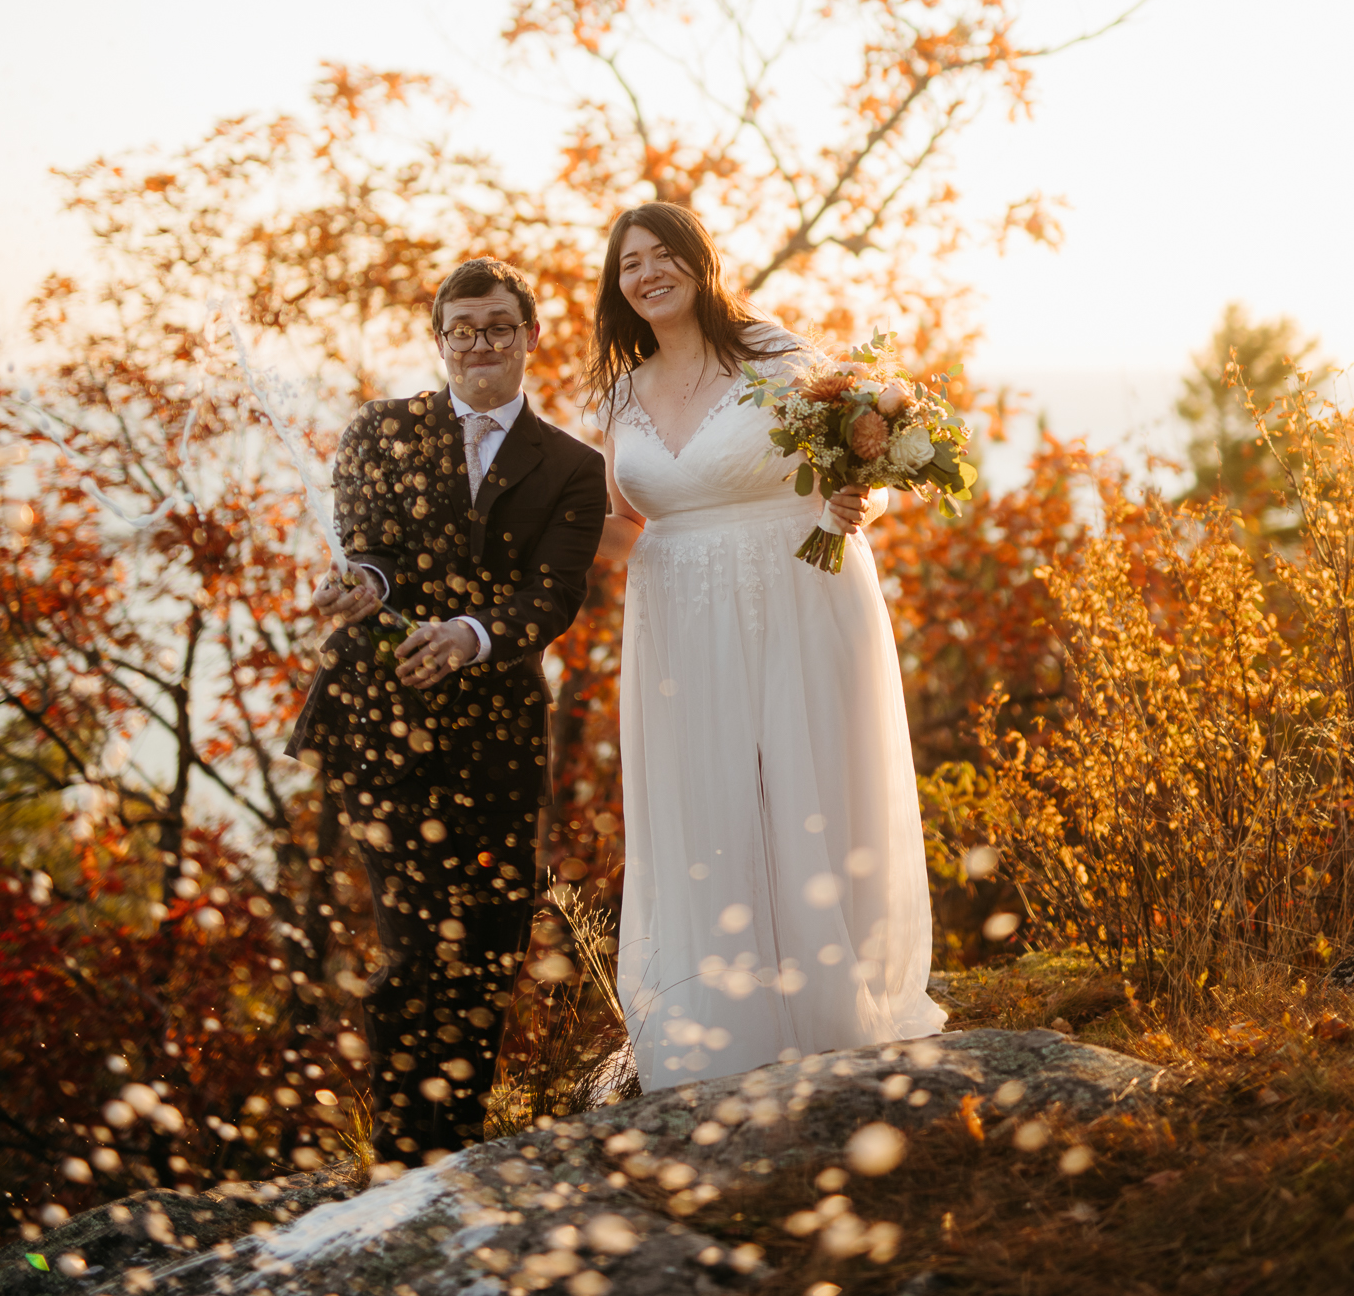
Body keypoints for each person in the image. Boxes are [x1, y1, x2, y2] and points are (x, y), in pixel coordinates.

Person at [594, 204, 946, 1090]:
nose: (648, 273)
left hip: (797, 586)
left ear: (701, 264)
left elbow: (865, 449)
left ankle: (836, 1004)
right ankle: (726, 1020)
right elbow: (614, 524)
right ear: (616, 286)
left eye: (665, 254)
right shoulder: (619, 394)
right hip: (674, 610)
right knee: (706, 797)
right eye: (630, 262)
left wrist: (856, 502)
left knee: (812, 782)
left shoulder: (774, 357)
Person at [290, 258, 608, 1162]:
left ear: (530, 337)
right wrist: (363, 585)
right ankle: (401, 1159)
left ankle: (459, 1152)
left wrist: (471, 635)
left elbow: (551, 597)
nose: (479, 345)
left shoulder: (575, 469)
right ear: (439, 341)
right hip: (381, 729)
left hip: (497, 737)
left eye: (498, 327)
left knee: (490, 951)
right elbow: (375, 552)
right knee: (412, 950)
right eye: (461, 330)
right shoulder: (379, 430)